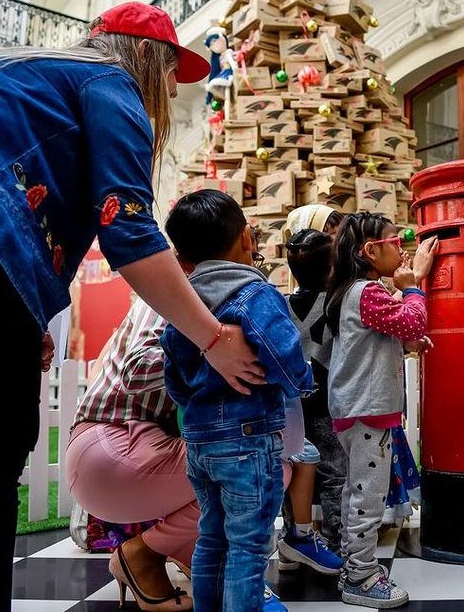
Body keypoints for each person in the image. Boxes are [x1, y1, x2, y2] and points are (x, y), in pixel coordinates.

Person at [0, 1, 264, 609]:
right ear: (148, 59)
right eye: (171, 71)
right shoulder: (110, 85)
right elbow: (130, 233)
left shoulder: (6, 68)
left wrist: (27, 309)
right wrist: (215, 339)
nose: (170, 87)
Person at [67, 294, 296, 612]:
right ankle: (143, 554)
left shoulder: (206, 300)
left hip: (127, 449)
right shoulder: (174, 296)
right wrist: (214, 349)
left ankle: (193, 559)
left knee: (239, 467)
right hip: (114, 446)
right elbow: (139, 369)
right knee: (266, 465)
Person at [161, 190, 314, 612]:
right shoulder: (255, 292)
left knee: (212, 537)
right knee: (248, 547)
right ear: (247, 239)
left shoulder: (183, 304)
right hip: (249, 439)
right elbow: (284, 354)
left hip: (200, 441)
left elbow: (173, 376)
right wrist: (301, 384)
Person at [325, 213, 438, 609]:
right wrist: (413, 285)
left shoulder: (352, 292)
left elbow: (388, 335)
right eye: (396, 241)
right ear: (372, 251)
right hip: (367, 410)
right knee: (367, 497)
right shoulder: (367, 291)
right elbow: (411, 321)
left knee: (357, 490)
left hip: (357, 408)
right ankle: (361, 576)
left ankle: (352, 565)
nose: (402, 249)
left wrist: (408, 340)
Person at [279, 227, 346, 571]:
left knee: (290, 472)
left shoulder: (280, 304)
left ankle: (293, 540)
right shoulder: (337, 303)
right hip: (330, 405)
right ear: (332, 265)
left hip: (292, 408)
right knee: (335, 476)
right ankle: (336, 545)